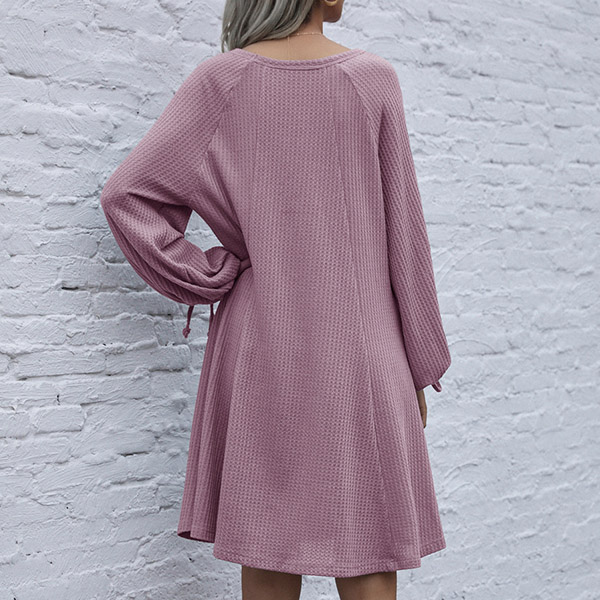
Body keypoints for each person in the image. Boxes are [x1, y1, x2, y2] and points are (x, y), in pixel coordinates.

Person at [99, 0, 452, 598]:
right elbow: (405, 235)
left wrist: (208, 273)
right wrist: (419, 363)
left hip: (262, 346)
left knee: (267, 544)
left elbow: (127, 197)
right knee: (369, 546)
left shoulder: (222, 81)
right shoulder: (371, 80)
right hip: (363, 349)